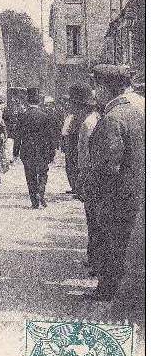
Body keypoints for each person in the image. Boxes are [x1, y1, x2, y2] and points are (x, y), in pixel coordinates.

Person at [82, 65, 145, 302]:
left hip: (115, 193)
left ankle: (107, 290)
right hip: (134, 189)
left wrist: (96, 193)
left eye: (97, 87)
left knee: (110, 240)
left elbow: (109, 166)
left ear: (107, 88)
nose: (95, 93)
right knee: (123, 242)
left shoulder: (112, 119)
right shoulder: (137, 114)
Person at [12, 87, 57, 209]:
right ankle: (41, 192)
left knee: (30, 174)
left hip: (27, 149)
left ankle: (34, 201)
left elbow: (18, 135)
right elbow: (50, 136)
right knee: (43, 172)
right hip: (43, 149)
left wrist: (15, 152)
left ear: (27, 100)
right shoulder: (45, 116)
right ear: (39, 101)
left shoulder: (23, 116)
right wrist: (52, 151)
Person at [73, 87, 100, 271]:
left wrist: (81, 179)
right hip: (98, 174)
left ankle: (94, 259)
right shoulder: (98, 118)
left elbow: (84, 155)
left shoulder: (86, 123)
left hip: (90, 175)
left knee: (92, 218)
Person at [61, 84, 94, 197]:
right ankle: (75, 187)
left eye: (72, 103)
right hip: (72, 142)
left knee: (78, 165)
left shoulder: (86, 118)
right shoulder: (73, 116)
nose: (69, 105)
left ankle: (79, 187)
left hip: (76, 142)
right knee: (71, 165)